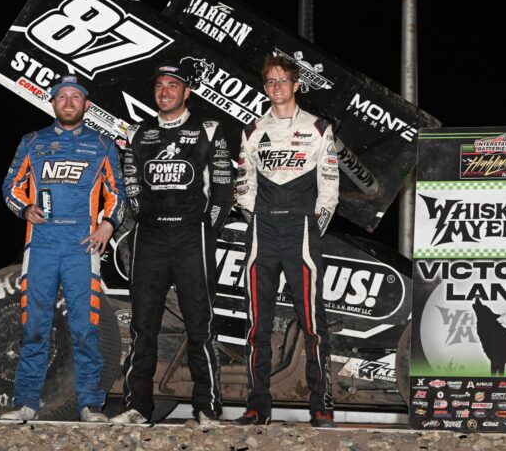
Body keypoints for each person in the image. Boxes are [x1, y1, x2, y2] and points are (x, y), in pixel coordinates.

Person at [111, 63, 233, 426]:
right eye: (160, 86)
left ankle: (207, 409)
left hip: (191, 237)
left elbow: (224, 190)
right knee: (142, 326)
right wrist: (145, 217)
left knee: (200, 325)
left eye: (173, 85)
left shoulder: (208, 130)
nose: (165, 91)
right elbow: (131, 186)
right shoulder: (137, 133)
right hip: (149, 237)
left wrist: (205, 231)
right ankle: (136, 407)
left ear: (186, 92)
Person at [0, 75, 124, 422]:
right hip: (40, 244)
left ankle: (89, 405)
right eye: (62, 96)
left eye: (75, 97)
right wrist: (24, 208)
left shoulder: (102, 144)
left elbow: (119, 194)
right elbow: (10, 185)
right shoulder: (33, 141)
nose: (68, 102)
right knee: (35, 326)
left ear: (86, 105)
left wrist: (107, 224)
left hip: (82, 247)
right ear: (52, 103)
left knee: (86, 328)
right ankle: (26, 404)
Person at [233, 54, 339, 428]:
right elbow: (243, 186)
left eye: (283, 80)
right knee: (257, 323)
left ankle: (321, 404)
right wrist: (256, 219)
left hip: (301, 232)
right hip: (263, 232)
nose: (277, 86)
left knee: (313, 322)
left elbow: (329, 189)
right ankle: (257, 405)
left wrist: (312, 225)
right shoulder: (251, 130)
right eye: (270, 81)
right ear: (265, 88)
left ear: (297, 85)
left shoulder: (319, 128)